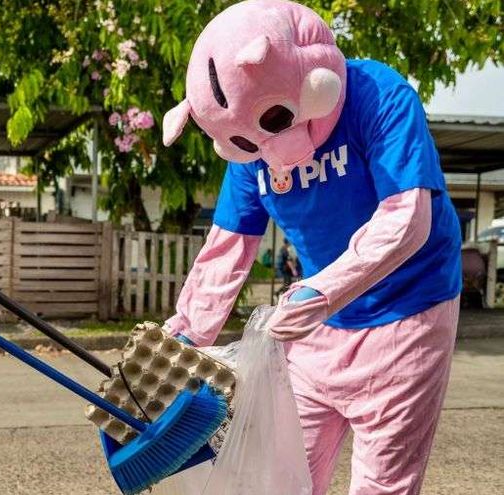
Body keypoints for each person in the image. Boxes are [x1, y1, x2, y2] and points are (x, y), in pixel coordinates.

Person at [161, 1, 461, 494]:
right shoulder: (250, 150)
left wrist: (320, 293)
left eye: (275, 119)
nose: (271, 153)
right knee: (283, 476)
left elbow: (407, 219)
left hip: (408, 312)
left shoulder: (377, 95)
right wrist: (187, 334)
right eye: (247, 143)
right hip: (316, 330)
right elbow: (230, 245)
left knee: (383, 483)